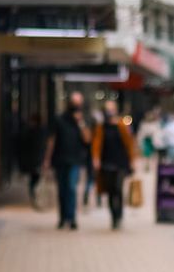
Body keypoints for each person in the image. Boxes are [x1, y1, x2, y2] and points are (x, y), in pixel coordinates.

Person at [43, 92, 91, 230]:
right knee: (62, 189)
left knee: (71, 188)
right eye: (74, 102)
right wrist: (47, 159)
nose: (76, 106)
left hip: (74, 160)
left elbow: (87, 139)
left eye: (78, 103)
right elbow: (52, 140)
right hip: (59, 159)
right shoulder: (59, 119)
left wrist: (80, 122)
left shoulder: (82, 120)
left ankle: (72, 218)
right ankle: (63, 217)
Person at [91, 99, 136, 229]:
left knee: (118, 188)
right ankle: (114, 217)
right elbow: (96, 144)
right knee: (110, 190)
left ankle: (120, 214)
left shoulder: (122, 125)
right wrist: (96, 159)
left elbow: (129, 144)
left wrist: (132, 161)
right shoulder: (101, 127)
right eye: (107, 109)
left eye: (111, 109)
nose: (109, 112)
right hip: (107, 162)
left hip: (120, 162)